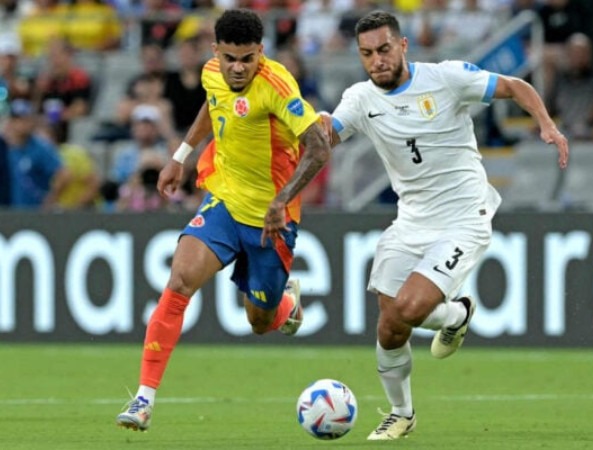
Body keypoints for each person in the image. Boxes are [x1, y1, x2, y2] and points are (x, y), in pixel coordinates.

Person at [322, 11, 568, 441]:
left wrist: (546, 124)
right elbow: (329, 133)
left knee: (409, 310)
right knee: (389, 325)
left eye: (383, 49)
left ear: (402, 46)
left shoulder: (447, 78)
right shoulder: (360, 98)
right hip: (410, 220)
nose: (376, 60)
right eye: (366, 54)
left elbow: (515, 86)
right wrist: (297, 128)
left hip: (462, 218)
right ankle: (402, 413)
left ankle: (456, 312)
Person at [115, 8, 331, 432]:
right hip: (225, 202)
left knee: (259, 321)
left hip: (272, 220)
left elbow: (320, 147)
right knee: (179, 281)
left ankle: (285, 302)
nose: (237, 68)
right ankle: (143, 399)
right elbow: (211, 106)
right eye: (230, 58)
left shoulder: (276, 85)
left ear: (260, 53)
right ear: (216, 51)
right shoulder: (212, 72)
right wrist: (180, 157)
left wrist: (282, 200)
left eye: (247, 59)